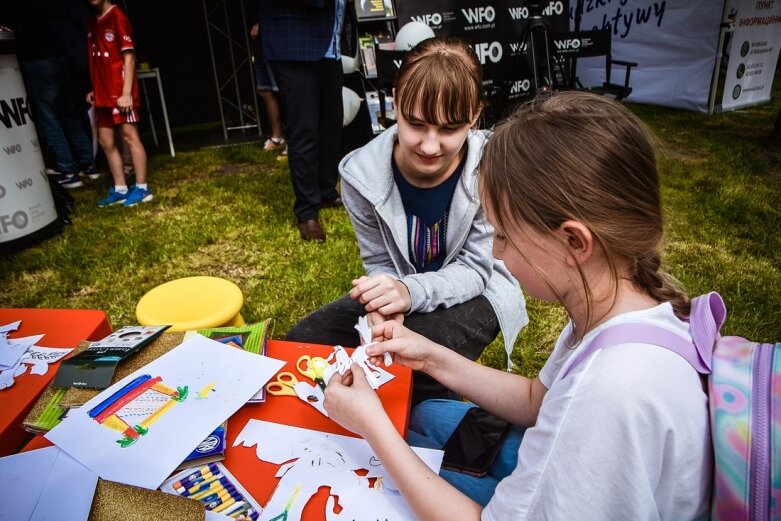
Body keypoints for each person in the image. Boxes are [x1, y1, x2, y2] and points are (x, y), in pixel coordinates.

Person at [323, 91, 712, 519]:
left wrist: (372, 426)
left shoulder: (606, 396)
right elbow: (535, 401)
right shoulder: (619, 307)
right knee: (426, 413)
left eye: (504, 234)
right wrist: (429, 355)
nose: (495, 252)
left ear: (574, 242)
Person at [287, 37, 527, 406]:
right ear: (395, 101)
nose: (430, 146)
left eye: (450, 129)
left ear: (475, 116)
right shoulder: (359, 174)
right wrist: (386, 305)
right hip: (404, 290)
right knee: (298, 343)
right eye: (415, 124)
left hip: (483, 291)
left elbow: (478, 270)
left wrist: (409, 294)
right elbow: (379, 263)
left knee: (408, 371)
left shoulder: (492, 165)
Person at [258, 0, 347, 242]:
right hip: (295, 43)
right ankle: (307, 211)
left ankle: (325, 191)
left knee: (331, 125)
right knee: (304, 130)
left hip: (331, 46)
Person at [8, 0, 100, 190]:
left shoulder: (26, 8)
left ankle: (69, 172)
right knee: (68, 115)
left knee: (50, 119)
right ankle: (90, 167)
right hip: (60, 58)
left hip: (39, 60)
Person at [86, 0, 152, 208]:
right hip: (103, 92)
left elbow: (129, 57)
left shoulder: (118, 17)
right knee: (106, 141)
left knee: (129, 136)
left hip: (120, 91)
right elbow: (97, 60)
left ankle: (142, 188)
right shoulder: (91, 22)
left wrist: (126, 93)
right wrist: (94, 89)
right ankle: (121, 188)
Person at [250, 22, 285, 154]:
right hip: (261, 42)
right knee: (265, 89)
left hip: (278, 35)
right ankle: (277, 137)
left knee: (286, 89)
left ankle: (295, 139)